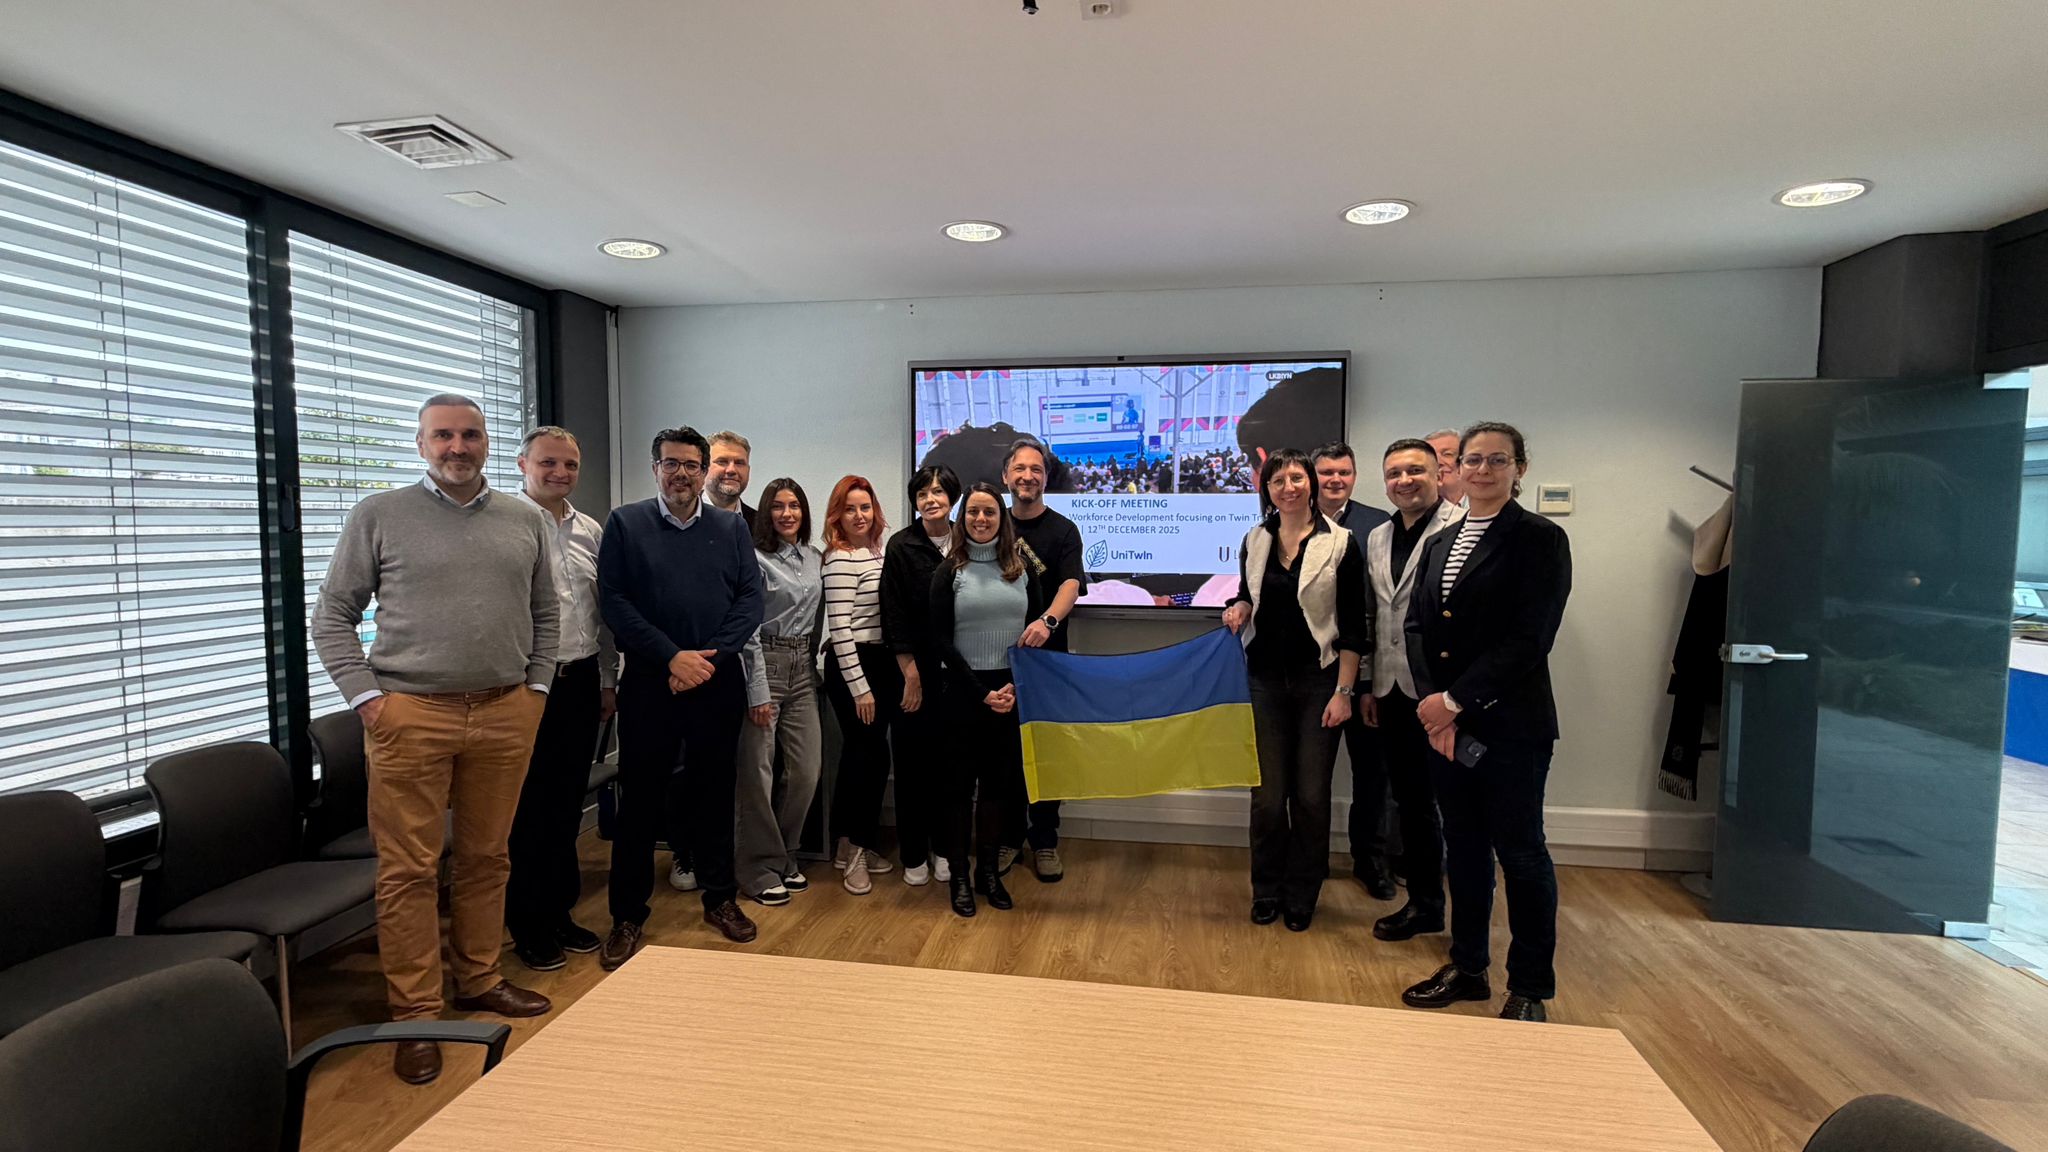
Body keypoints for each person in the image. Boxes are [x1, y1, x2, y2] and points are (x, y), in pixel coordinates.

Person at [310, 393, 558, 1086]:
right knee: (409, 872)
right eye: (443, 435)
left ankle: (478, 979)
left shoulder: (523, 519)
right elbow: (332, 615)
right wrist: (368, 700)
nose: (457, 447)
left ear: (488, 444)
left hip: (505, 712)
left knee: (486, 858)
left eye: (470, 434)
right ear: (421, 445)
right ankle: (416, 1013)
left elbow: (546, 611)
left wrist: (536, 690)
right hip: (410, 716)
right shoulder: (379, 515)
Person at [1399, 422, 1572, 1023]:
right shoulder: (1441, 542)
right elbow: (1417, 626)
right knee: (1465, 850)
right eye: (1473, 459)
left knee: (1521, 855)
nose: (1483, 469)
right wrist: (1435, 706)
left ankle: (1529, 987)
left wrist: (1454, 702)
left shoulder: (1540, 538)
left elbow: (1530, 638)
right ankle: (1468, 967)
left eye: (1498, 460)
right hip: (1446, 727)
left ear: (1520, 467)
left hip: (1511, 726)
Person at [596, 426, 764, 968]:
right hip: (651, 682)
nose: (682, 474)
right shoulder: (626, 524)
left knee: (715, 794)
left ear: (704, 470)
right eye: (671, 463)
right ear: (655, 469)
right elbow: (614, 602)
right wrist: (672, 657)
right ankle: (627, 914)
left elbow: (750, 599)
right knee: (640, 801)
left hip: (716, 680)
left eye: (692, 465)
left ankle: (720, 899)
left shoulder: (730, 527)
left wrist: (704, 661)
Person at [1221, 448, 1366, 933]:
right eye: (1278, 480)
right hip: (1263, 680)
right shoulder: (1255, 538)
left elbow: (1353, 626)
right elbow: (1249, 593)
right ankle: (1266, 890)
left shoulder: (1340, 542)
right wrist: (1240, 607)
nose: (1288, 487)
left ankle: (1303, 894)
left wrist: (1344, 691)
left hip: (1319, 681)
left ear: (1311, 483)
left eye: (1297, 478)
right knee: (1266, 798)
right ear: (1267, 488)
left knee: (1310, 797)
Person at [504, 426, 618, 974]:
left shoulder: (590, 530)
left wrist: (607, 680)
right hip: (527, 685)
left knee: (567, 804)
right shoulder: (504, 524)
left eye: (569, 465)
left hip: (581, 680)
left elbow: (600, 613)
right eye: (548, 463)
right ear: (523, 464)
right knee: (528, 809)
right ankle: (527, 924)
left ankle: (560, 912)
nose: (560, 473)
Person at [1362, 439, 1465, 945]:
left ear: (1439, 475)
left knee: (1459, 807)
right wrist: (1367, 683)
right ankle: (1425, 905)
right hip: (1392, 689)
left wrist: (1455, 696)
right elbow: (1374, 613)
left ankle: (1469, 924)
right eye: (1394, 473)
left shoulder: (1463, 529)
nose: (1404, 481)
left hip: (1446, 696)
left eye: (1415, 471)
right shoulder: (1379, 536)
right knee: (1412, 802)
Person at [929, 483, 1047, 917]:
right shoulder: (949, 571)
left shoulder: (1021, 566)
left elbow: (1034, 628)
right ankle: (960, 876)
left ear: (1002, 518)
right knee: (958, 791)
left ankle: (989, 875)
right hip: (962, 692)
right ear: (963, 519)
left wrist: (1011, 686)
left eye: (990, 512)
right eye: (973, 512)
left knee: (999, 789)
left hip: (1009, 692)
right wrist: (981, 694)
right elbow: (940, 640)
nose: (981, 519)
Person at [1309, 442, 1396, 899]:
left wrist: (1373, 679)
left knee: (1373, 775)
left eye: (1343, 472)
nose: (1335, 480)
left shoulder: (1379, 526)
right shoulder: (1292, 521)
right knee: (1310, 777)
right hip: (1314, 674)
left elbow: (1385, 605)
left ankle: (1370, 860)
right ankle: (1311, 859)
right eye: (1326, 472)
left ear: (1355, 476)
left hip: (1365, 675)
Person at [734, 478, 824, 906]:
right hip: (763, 664)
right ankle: (755, 867)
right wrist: (756, 690)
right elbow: (747, 628)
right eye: (778, 506)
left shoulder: (814, 557)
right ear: (766, 513)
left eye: (795, 506)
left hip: (802, 668)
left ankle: (785, 854)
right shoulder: (753, 558)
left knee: (806, 771)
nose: (787, 514)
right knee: (757, 773)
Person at [1003, 438, 1084, 882]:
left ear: (1046, 478)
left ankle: (1045, 840)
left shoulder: (1064, 530)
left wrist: (1047, 622)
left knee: (1047, 752)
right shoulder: (990, 522)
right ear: (1006, 476)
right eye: (1020, 468)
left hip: (1049, 660)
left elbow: (1070, 585)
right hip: (997, 659)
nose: (1027, 476)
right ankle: (1008, 837)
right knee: (1005, 754)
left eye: (1036, 469)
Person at [880, 463, 962, 887]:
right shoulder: (902, 545)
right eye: (923, 493)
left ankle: (946, 849)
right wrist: (909, 672)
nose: (931, 499)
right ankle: (914, 854)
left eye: (938, 491)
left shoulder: (968, 540)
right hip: (913, 673)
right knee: (912, 769)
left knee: (951, 768)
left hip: (959, 675)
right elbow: (892, 613)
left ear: (952, 496)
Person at [821, 474, 899, 893]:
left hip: (881, 662)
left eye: (865, 507)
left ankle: (850, 843)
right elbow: (840, 630)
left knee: (867, 757)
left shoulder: (877, 552)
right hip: (855, 666)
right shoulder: (839, 559)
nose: (858, 515)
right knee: (865, 759)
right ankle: (854, 853)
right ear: (837, 515)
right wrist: (860, 688)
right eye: (849, 509)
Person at [704, 429, 758, 528]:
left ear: (748, 470)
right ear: (704, 467)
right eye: (722, 461)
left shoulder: (761, 525)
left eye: (739, 463)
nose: (731, 470)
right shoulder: (681, 514)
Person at [1425, 428, 1466, 507]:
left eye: (1447, 454)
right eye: (1431, 456)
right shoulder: (1412, 511)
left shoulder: (1487, 505)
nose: (1438, 462)